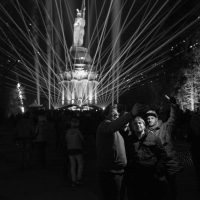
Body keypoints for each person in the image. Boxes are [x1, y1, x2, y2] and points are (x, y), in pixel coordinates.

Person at [96, 103, 142, 200]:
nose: (117, 114)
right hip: (110, 172)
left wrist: (125, 128)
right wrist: (131, 114)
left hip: (117, 171)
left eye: (117, 112)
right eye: (114, 112)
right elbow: (113, 126)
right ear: (106, 115)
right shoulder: (104, 125)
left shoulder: (115, 129)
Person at [145, 101, 183, 200]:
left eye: (152, 118)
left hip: (169, 164)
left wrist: (173, 106)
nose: (149, 120)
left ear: (156, 118)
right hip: (157, 166)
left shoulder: (165, 127)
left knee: (171, 189)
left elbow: (173, 118)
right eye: (148, 118)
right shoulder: (146, 131)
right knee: (160, 190)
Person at [125, 116, 168, 200]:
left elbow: (162, 154)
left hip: (151, 175)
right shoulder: (129, 140)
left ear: (144, 125)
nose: (138, 125)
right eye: (135, 124)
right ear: (132, 127)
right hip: (136, 176)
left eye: (140, 123)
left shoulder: (154, 138)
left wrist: (158, 170)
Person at [65, 116, 84, 187]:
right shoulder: (78, 131)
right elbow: (82, 139)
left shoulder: (68, 131)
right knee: (80, 164)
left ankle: (73, 180)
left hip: (70, 149)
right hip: (78, 148)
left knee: (72, 165)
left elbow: (66, 140)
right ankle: (78, 179)